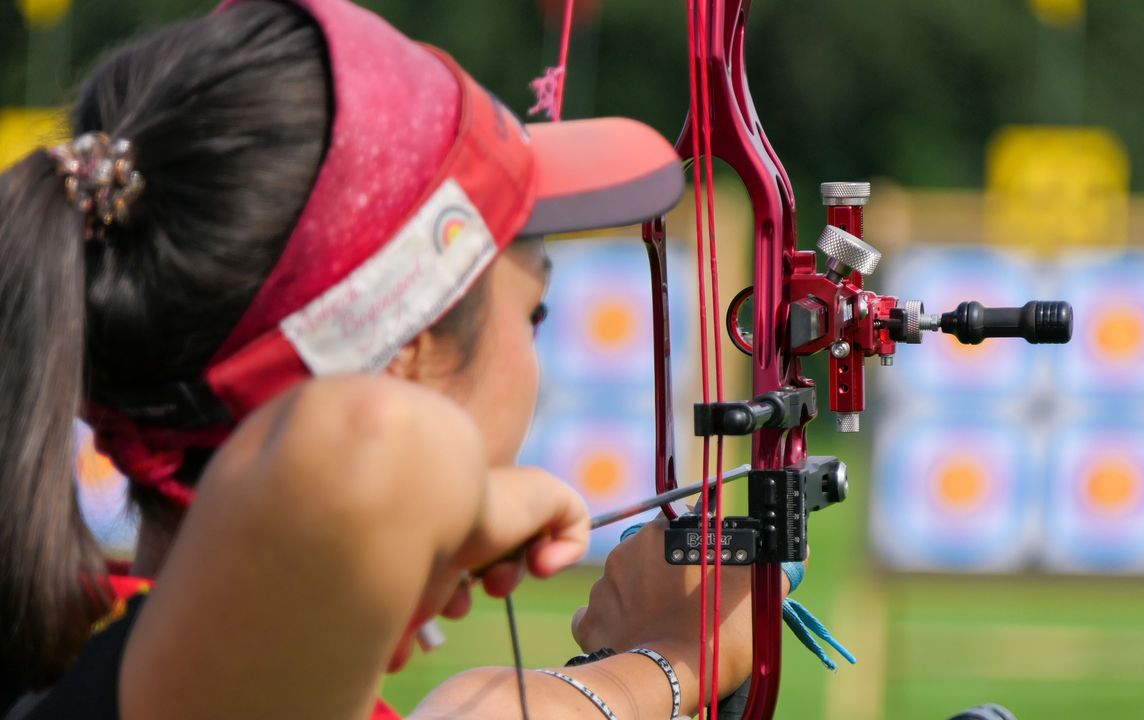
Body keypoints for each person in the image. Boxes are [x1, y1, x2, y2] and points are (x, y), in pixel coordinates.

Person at [0, 0, 758, 718]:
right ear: (406, 356)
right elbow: (375, 442)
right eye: (534, 314)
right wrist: (658, 664)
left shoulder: (66, 663)